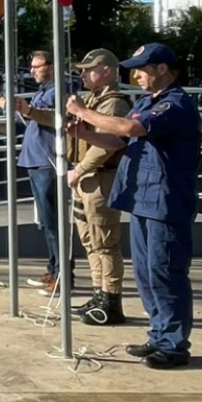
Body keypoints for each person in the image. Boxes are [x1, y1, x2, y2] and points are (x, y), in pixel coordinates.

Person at [68, 43, 202, 370]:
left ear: (162, 69)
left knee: (165, 272)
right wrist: (87, 132)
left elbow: (132, 128)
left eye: (143, 68)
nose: (136, 74)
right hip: (143, 199)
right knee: (145, 272)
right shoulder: (146, 102)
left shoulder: (176, 104)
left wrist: (84, 112)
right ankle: (158, 336)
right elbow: (119, 141)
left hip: (166, 202)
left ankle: (173, 345)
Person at [0, 50, 68, 296]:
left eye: (37, 66)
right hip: (35, 161)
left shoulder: (58, 92)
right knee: (47, 223)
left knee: (53, 222)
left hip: (47, 163)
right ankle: (54, 269)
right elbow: (21, 124)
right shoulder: (42, 93)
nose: (32, 71)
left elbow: (51, 118)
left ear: (51, 66)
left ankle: (62, 274)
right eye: (32, 67)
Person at [59, 50, 132, 326]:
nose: (82, 74)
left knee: (105, 242)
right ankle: (99, 293)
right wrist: (27, 111)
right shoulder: (90, 101)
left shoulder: (114, 104)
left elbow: (110, 142)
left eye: (89, 69)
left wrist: (78, 170)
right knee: (90, 240)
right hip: (85, 180)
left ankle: (111, 301)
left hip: (100, 178)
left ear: (107, 71)